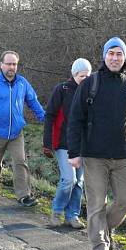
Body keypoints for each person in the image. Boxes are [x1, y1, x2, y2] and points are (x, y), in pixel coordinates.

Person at [67, 37, 126, 250]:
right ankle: (100, 247)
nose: (115, 58)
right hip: (94, 156)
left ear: (125, 57)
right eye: (111, 53)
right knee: (96, 204)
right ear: (104, 56)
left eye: (119, 54)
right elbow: (75, 119)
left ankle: (102, 229)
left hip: (123, 156)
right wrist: (74, 152)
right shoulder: (90, 84)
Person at [0, 51, 45, 207]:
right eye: (8, 64)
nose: (11, 67)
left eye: (14, 64)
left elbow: (33, 102)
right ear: (1, 65)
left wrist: (45, 119)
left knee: (20, 162)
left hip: (16, 132)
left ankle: (24, 196)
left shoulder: (22, 83)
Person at [43, 58, 92, 229]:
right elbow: (49, 115)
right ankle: (57, 212)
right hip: (63, 143)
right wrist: (47, 143)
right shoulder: (62, 90)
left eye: (87, 76)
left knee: (79, 181)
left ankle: (73, 215)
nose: (85, 79)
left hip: (83, 145)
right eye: (81, 76)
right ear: (74, 74)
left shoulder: (91, 92)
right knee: (68, 179)